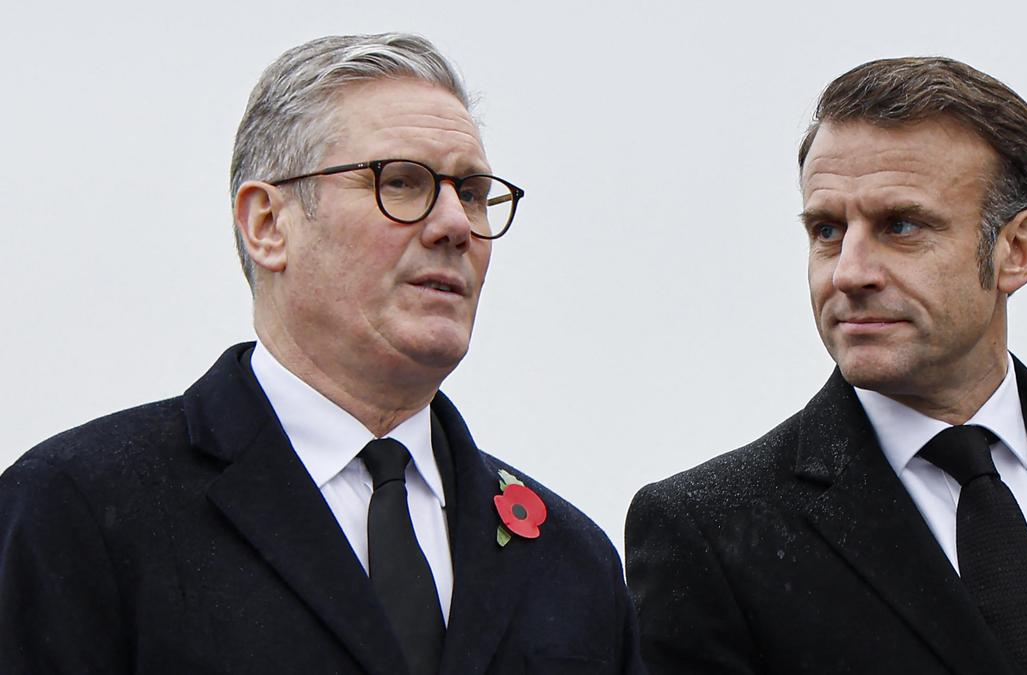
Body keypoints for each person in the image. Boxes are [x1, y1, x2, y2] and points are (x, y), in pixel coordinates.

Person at [0, 33, 642, 675]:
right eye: (402, 182)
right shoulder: (78, 508)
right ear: (268, 225)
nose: (454, 225)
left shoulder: (568, 558)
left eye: (473, 193)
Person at [625, 56, 1027, 675]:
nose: (848, 271)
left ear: (1017, 250)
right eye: (826, 230)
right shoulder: (709, 531)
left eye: (900, 225)